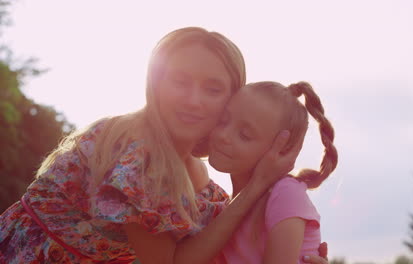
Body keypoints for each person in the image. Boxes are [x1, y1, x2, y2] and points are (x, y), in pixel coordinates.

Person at [0, 27, 328, 264]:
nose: (193, 100)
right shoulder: (136, 151)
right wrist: (256, 186)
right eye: (180, 81)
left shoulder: (203, 184)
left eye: (213, 89)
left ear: (233, 100)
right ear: (155, 82)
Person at [208, 81, 338, 263]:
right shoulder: (227, 208)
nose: (223, 135)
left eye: (244, 135)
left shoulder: (285, 193)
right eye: (223, 120)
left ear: (281, 150)